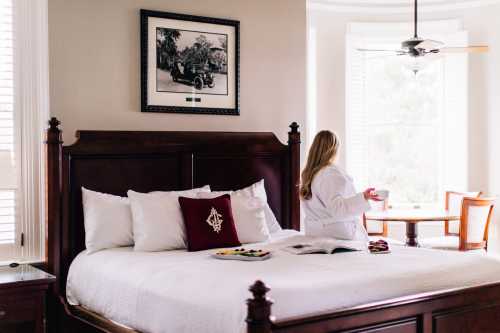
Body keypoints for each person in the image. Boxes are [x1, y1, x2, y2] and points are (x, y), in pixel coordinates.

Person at [300, 130, 382, 241]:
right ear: (333, 150)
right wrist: (364, 196)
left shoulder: (311, 174)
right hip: (337, 236)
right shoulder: (330, 173)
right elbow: (338, 209)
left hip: (316, 234)